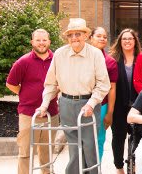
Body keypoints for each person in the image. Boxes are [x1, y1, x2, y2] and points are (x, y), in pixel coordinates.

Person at [37, 18, 111, 174]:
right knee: (74, 147)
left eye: (78, 34)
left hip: (88, 103)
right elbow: (50, 84)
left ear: (85, 35)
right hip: (66, 104)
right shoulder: (60, 54)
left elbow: (104, 84)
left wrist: (91, 103)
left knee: (89, 146)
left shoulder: (95, 54)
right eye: (70, 35)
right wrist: (44, 104)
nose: (74, 38)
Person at [6, 29, 59, 174]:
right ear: (32, 42)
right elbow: (11, 84)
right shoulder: (23, 62)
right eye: (38, 40)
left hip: (51, 113)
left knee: (47, 150)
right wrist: (25, 94)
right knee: (25, 152)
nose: (41, 43)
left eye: (44, 40)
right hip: (28, 115)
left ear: (49, 41)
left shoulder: (57, 60)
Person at [109, 28, 142, 174]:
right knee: (118, 137)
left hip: (139, 106)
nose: (127, 41)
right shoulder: (113, 60)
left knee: (138, 137)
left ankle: (135, 165)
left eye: (130, 38)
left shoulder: (141, 59)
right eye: (124, 39)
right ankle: (119, 168)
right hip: (119, 106)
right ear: (120, 42)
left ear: (135, 41)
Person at [89, 27, 118, 161]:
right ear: (90, 38)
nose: (102, 39)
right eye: (98, 36)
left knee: (98, 139)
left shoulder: (110, 62)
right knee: (82, 141)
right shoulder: (81, 57)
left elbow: (112, 88)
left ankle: (96, 168)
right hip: (80, 103)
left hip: (102, 105)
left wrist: (110, 113)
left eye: (105, 37)